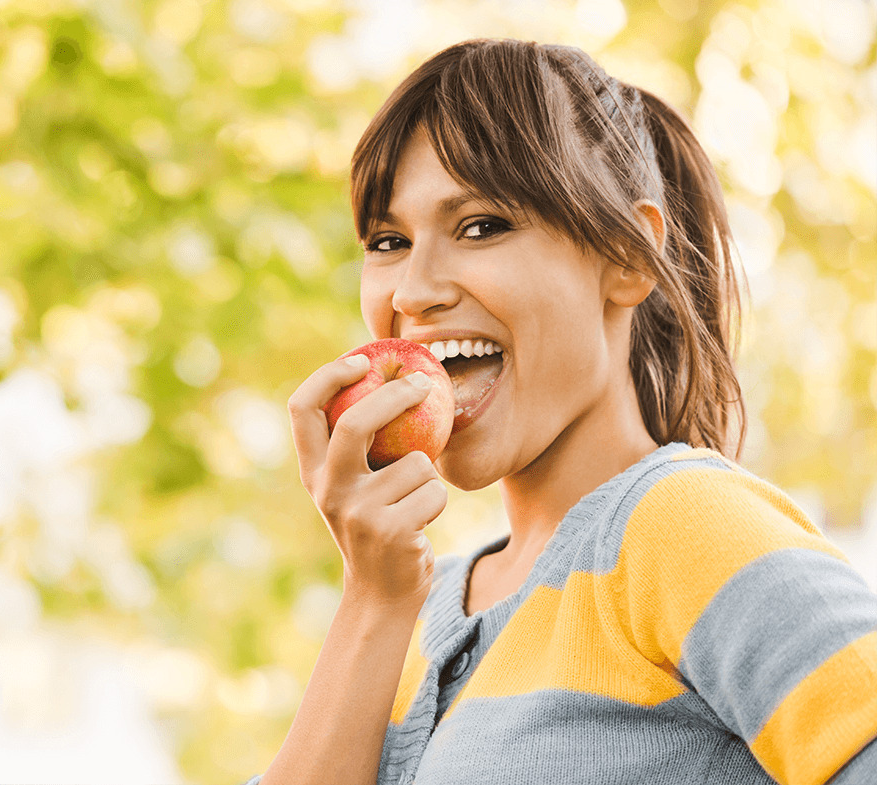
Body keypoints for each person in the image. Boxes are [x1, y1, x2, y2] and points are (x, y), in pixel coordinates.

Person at [247, 39, 877, 785]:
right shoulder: (417, 609)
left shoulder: (683, 525)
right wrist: (373, 599)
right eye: (388, 241)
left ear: (628, 257)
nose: (412, 291)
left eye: (481, 225)